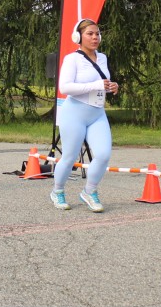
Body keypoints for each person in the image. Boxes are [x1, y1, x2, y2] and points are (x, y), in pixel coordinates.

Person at [50, 18, 118, 213]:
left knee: (103, 155)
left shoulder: (102, 58)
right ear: (78, 37)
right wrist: (96, 85)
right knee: (70, 157)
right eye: (90, 34)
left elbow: (102, 82)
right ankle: (57, 191)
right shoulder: (72, 59)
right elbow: (65, 87)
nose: (95, 37)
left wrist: (112, 86)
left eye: (97, 34)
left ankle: (89, 191)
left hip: (97, 113)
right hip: (74, 113)